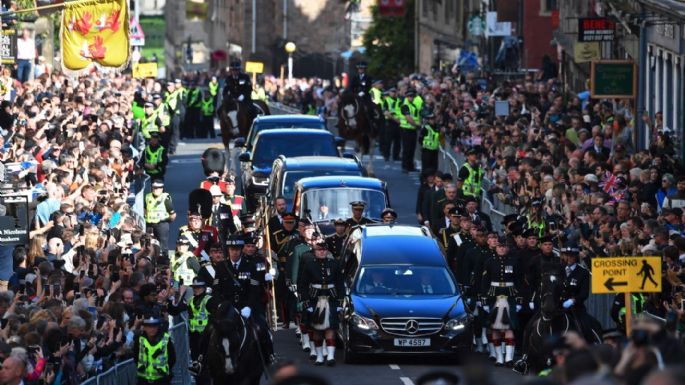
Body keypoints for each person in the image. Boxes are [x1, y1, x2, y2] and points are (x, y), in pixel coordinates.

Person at [300, 240, 344, 366]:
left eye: (324, 250)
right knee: (317, 330)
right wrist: (306, 301)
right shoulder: (309, 265)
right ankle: (319, 356)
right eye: (319, 250)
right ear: (314, 252)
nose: (322, 252)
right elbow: (303, 285)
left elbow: (340, 283)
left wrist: (340, 302)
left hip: (331, 298)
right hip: (315, 299)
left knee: (331, 328)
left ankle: (330, 357)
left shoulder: (334, 264)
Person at [480, 236, 522, 366]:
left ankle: (509, 358)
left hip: (510, 296)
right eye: (499, 246)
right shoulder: (489, 262)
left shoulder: (514, 261)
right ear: (495, 247)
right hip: (494, 296)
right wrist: (484, 300)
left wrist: (519, 299)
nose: (501, 249)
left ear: (507, 248)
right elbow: (485, 282)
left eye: (503, 246)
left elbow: (519, 281)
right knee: (495, 328)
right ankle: (499, 358)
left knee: (509, 327)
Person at [167, 277, 219, 379]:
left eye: (199, 287)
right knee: (197, 368)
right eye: (194, 287)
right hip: (194, 338)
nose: (196, 289)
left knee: (208, 367)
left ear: (204, 288)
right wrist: (176, 299)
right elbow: (174, 311)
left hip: (208, 338)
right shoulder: (190, 300)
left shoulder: (210, 300)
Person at [134, 316, 176, 385]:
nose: (152, 329)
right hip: (144, 380)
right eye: (149, 326)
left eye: (154, 326)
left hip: (162, 380)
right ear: (144, 327)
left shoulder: (165, 339)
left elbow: (172, 359)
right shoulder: (139, 340)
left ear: (158, 327)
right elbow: (136, 357)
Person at [144, 179, 176, 254]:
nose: (155, 190)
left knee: (162, 245)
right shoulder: (148, 196)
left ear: (162, 189)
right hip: (149, 224)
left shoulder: (165, 198)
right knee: (148, 243)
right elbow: (145, 209)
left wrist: (167, 221)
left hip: (161, 224)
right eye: (154, 187)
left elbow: (173, 214)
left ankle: (163, 261)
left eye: (157, 188)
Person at [223, 60, 255, 131]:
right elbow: (225, 91)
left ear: (239, 70)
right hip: (233, 100)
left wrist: (242, 96)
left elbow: (249, 89)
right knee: (221, 110)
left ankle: (252, 128)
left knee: (253, 111)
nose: (235, 72)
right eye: (233, 70)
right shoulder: (228, 79)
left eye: (236, 70)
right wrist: (229, 98)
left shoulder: (245, 77)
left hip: (245, 100)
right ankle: (226, 128)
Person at [399, 90, 421, 173]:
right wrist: (417, 125)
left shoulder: (414, 106)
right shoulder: (405, 106)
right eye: (410, 97)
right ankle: (404, 166)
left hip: (412, 130)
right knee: (406, 149)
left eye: (412, 97)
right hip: (406, 129)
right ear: (407, 97)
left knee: (412, 149)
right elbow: (408, 118)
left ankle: (410, 166)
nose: (411, 98)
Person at [382, 87, 402, 161]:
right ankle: (386, 155)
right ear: (389, 93)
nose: (393, 93)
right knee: (388, 140)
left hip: (398, 123)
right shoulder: (387, 100)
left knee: (397, 141)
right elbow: (386, 112)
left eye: (394, 92)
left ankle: (396, 156)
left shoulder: (399, 101)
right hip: (390, 122)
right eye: (392, 92)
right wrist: (395, 119)